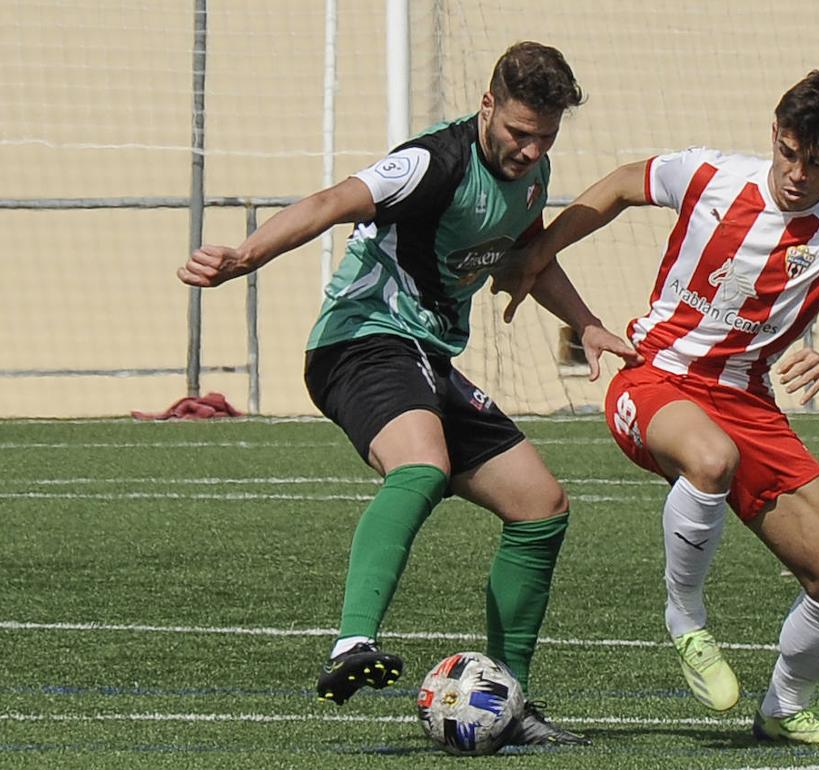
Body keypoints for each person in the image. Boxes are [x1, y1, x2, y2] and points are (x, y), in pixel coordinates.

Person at [177, 41, 639, 746]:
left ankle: (511, 704)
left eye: (544, 136)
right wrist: (245, 257)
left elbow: (527, 258)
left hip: (429, 358)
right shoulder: (433, 162)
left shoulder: (534, 172)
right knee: (419, 467)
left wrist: (588, 324)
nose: (530, 148)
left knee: (541, 508)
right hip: (360, 341)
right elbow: (334, 201)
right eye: (519, 132)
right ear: (487, 106)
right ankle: (350, 644)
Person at [506, 67, 819, 746]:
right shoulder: (710, 174)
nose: (798, 173)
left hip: (749, 403)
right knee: (711, 459)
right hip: (655, 377)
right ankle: (686, 619)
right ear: (776, 134)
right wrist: (541, 250)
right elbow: (624, 182)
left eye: (818, 162)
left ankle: (782, 709)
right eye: (791, 153)